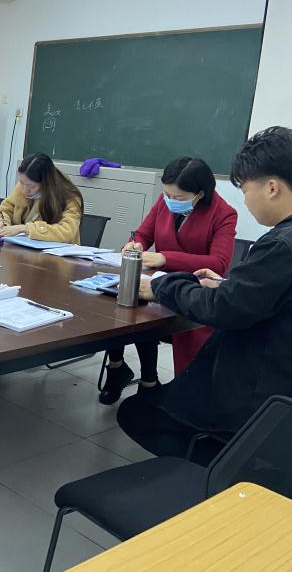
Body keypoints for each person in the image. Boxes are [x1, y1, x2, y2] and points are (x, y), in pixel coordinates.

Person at [118, 127, 292, 462]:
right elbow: (283, 298)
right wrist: (229, 287)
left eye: (245, 189)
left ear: (271, 187)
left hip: (258, 408)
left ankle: (210, 471)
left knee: (135, 413)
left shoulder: (286, 245)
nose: (244, 200)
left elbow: (221, 310)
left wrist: (161, 286)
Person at [99, 157, 238, 405]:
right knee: (119, 301)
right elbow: (143, 234)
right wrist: (135, 245)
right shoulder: (164, 203)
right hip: (156, 283)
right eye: (167, 194)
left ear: (200, 194)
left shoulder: (223, 213)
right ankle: (120, 369)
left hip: (192, 291)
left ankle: (151, 384)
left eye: (179, 197)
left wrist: (165, 257)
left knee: (144, 314)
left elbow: (218, 263)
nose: (170, 200)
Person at [0, 153, 83, 242]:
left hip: (57, 252)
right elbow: (4, 209)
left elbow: (67, 231)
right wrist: (2, 221)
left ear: (46, 183)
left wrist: (26, 229)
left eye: (31, 186)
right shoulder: (24, 185)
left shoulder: (70, 197)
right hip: (22, 247)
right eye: (21, 182)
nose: (25, 190)